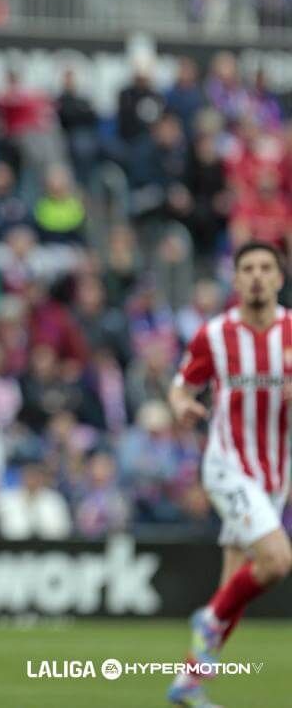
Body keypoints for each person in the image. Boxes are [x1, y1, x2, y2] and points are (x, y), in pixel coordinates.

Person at [165, 241, 292, 708]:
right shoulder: (215, 335)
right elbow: (181, 388)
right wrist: (182, 408)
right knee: (278, 561)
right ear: (235, 280)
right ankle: (209, 618)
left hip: (275, 476)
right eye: (248, 269)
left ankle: (188, 682)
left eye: (266, 268)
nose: (257, 276)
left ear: (279, 278)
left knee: (236, 585)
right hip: (228, 466)